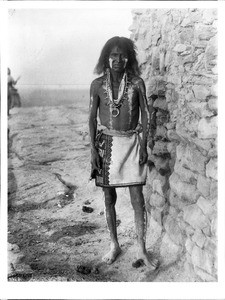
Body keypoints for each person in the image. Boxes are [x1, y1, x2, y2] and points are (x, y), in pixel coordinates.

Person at [89, 36, 159, 270]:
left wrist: (145, 143)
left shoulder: (137, 82)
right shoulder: (97, 85)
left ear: (128, 58)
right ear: (106, 58)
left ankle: (141, 247)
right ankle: (114, 244)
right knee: (109, 198)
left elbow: (146, 113)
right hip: (107, 145)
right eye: (113, 55)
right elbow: (91, 118)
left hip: (132, 143)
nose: (117, 59)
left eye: (122, 55)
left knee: (137, 197)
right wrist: (92, 150)